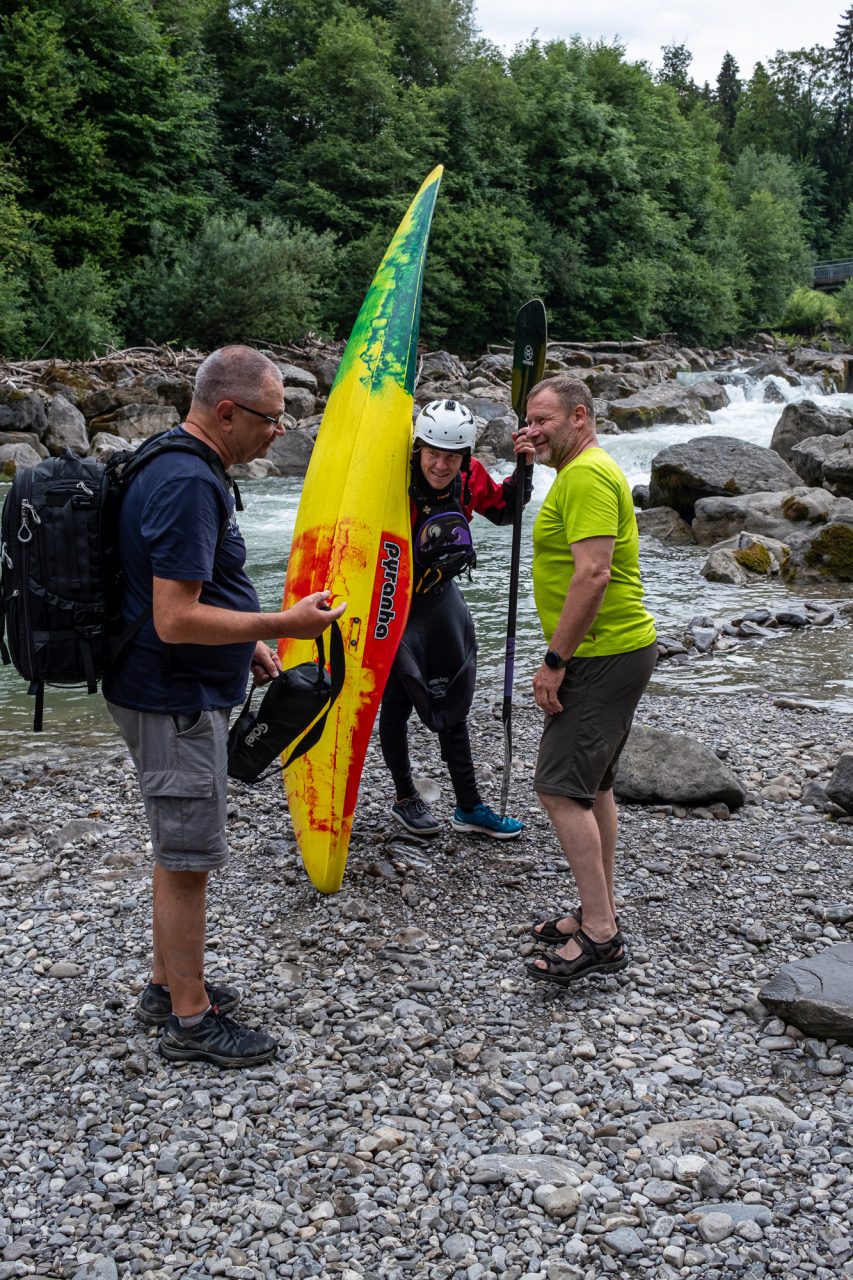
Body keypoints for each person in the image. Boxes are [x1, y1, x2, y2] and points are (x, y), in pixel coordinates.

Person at [102, 345, 346, 1066]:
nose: (280, 431)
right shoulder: (186, 481)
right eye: (272, 419)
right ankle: (190, 1021)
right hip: (171, 697)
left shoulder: (171, 457)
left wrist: (242, 649)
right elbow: (175, 618)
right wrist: (281, 626)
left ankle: (164, 984)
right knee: (187, 859)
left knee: (175, 848)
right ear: (227, 411)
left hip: (168, 684)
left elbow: (183, 597)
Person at [516, 375, 657, 985]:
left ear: (580, 417)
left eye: (544, 419)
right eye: (528, 419)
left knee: (557, 788)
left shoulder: (589, 477)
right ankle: (598, 908)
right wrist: (532, 464)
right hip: (612, 651)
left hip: (600, 655)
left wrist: (555, 660)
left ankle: (602, 935)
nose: (533, 428)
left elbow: (593, 575)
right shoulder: (575, 475)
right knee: (595, 785)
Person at [379, 398, 535, 839]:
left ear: (464, 456)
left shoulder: (469, 476)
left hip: (441, 599)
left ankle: (468, 807)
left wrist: (525, 468)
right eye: (433, 454)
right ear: (418, 449)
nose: (441, 465)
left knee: (454, 705)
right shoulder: (392, 478)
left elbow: (505, 510)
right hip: (394, 605)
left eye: (451, 456)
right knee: (398, 704)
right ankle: (405, 798)